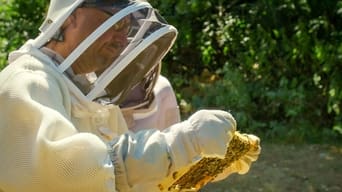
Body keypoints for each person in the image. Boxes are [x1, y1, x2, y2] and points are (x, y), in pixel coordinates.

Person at [0, 0, 261, 192]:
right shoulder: (27, 82)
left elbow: (121, 179)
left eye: (127, 27)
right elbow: (68, 173)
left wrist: (193, 164)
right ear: (70, 17)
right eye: (114, 21)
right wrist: (178, 144)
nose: (122, 39)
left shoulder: (86, 97)